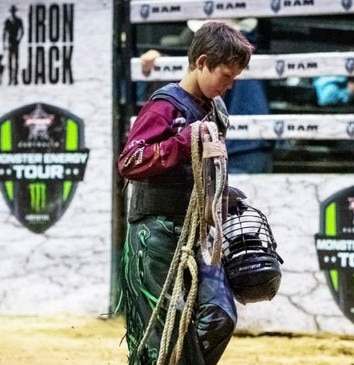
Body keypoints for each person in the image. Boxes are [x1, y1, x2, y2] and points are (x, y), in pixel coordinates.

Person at [117, 22, 253, 365]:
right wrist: (182, 142)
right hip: (155, 236)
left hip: (194, 235)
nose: (229, 84)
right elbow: (129, 162)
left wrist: (222, 195)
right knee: (158, 337)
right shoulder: (164, 106)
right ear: (202, 62)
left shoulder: (215, 110)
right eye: (225, 74)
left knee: (219, 314)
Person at [139, 18, 274, 173]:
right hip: (243, 150)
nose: (229, 85)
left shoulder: (210, 97)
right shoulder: (164, 106)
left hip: (238, 152)